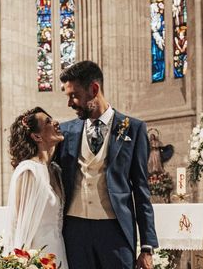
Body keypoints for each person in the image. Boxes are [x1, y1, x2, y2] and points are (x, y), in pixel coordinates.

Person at [56, 60, 158, 269]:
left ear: (94, 89)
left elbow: (141, 190)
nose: (70, 103)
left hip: (116, 231)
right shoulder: (65, 132)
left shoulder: (134, 129)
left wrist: (147, 247)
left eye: (74, 95)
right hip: (75, 230)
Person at [5, 107, 67, 268]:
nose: (56, 123)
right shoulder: (28, 170)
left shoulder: (55, 170)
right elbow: (21, 226)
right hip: (37, 257)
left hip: (58, 252)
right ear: (36, 136)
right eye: (48, 122)